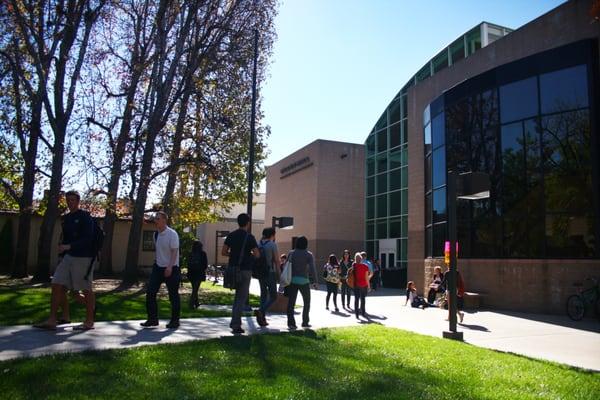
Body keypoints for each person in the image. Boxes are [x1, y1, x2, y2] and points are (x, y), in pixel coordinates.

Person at [35, 190, 96, 331]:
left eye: (73, 200)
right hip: (68, 257)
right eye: (68, 200)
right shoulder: (66, 218)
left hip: (83, 257)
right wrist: (63, 249)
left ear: (78, 201)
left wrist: (69, 246)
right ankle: (52, 319)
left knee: (85, 289)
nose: (70, 202)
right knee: (57, 284)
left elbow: (88, 239)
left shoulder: (85, 217)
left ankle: (89, 321)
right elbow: (65, 237)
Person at [141, 211, 181, 329]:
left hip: (172, 267)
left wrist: (169, 267)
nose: (155, 221)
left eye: (158, 219)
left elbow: (174, 251)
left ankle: (175, 321)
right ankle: (152, 319)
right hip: (158, 267)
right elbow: (159, 251)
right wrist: (157, 263)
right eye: (155, 219)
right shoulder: (156, 235)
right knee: (150, 292)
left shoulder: (172, 234)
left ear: (164, 220)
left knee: (173, 295)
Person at [221, 213, 260, 334]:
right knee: (241, 298)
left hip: (233, 269)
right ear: (248, 223)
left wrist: (233, 255)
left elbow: (223, 252)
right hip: (245, 270)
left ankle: (235, 322)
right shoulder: (250, 237)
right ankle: (235, 324)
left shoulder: (231, 235)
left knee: (237, 297)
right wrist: (249, 256)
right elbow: (257, 254)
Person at [286, 236, 318, 330]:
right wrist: (315, 281)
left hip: (292, 281)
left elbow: (286, 267)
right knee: (307, 302)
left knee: (291, 303)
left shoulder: (291, 253)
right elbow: (313, 269)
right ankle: (305, 322)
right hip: (304, 281)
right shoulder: (309, 254)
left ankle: (291, 323)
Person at [255, 227, 279, 327]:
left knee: (263, 295)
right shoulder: (272, 245)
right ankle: (261, 311)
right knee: (273, 296)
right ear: (272, 235)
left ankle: (262, 319)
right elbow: (277, 261)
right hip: (270, 272)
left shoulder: (258, 244)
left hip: (260, 273)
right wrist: (279, 274)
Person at [188, 240, 208, 309]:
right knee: (195, 289)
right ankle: (191, 304)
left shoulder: (191, 253)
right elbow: (205, 265)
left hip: (191, 273)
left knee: (194, 288)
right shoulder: (203, 254)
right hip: (199, 273)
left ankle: (196, 303)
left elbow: (188, 264)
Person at [351, 252, 371, 319]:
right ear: (361, 259)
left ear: (355, 259)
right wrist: (369, 286)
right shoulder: (365, 266)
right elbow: (366, 278)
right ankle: (363, 312)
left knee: (356, 299)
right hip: (364, 285)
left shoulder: (354, 265)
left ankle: (356, 314)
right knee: (363, 299)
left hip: (356, 284)